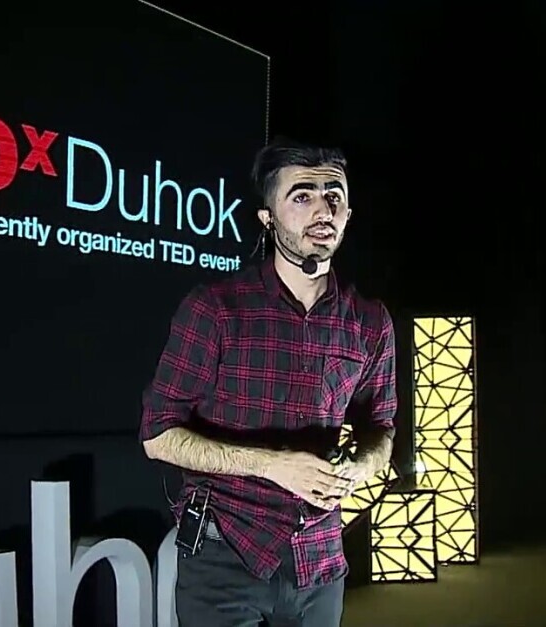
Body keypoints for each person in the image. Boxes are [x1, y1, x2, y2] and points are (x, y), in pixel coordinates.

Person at [139, 137, 397, 627]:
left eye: (334, 196)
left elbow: (381, 428)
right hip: (225, 554)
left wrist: (360, 466)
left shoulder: (369, 322)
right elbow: (157, 435)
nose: (323, 208)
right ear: (268, 218)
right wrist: (274, 465)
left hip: (320, 561)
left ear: (348, 214)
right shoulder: (216, 308)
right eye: (302, 195)